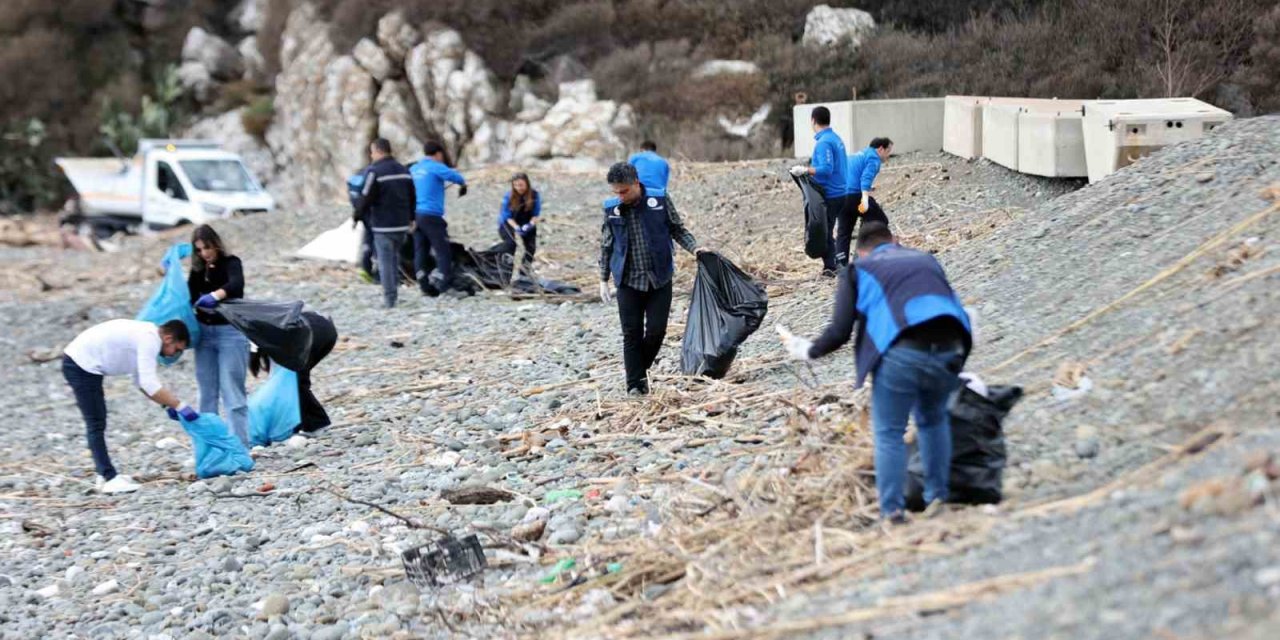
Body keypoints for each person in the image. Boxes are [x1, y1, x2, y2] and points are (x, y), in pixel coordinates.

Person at [777, 222, 971, 523]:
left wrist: (808, 350)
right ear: (895, 240)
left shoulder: (858, 270)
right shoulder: (925, 258)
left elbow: (841, 331)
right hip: (950, 346)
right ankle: (938, 498)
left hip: (900, 352)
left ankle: (892, 511)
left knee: (890, 433)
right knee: (933, 421)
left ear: (861, 250)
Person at [598, 162, 709, 396]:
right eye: (616, 191)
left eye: (624, 191)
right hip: (628, 281)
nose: (620, 196)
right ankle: (634, 385)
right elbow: (607, 245)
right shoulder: (611, 209)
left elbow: (677, 229)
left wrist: (696, 249)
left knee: (657, 331)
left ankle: (639, 371)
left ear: (636, 183)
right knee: (631, 333)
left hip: (659, 277)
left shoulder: (658, 200)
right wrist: (603, 279)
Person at [62, 319, 194, 493]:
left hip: (83, 362)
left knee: (97, 420)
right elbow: (149, 384)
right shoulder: (150, 339)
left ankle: (104, 474)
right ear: (168, 338)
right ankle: (109, 478)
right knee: (95, 422)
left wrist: (166, 405)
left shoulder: (148, 335)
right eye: (176, 350)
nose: (172, 355)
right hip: (81, 364)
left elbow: (140, 381)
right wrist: (180, 406)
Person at [187, 224, 251, 447]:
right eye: (199, 250)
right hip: (204, 334)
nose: (205, 253)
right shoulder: (198, 271)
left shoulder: (231, 263)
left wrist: (215, 295)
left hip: (230, 332)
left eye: (207, 248)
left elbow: (236, 284)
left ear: (216, 244)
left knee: (232, 391)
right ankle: (210, 447)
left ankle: (240, 445)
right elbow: (188, 294)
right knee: (207, 393)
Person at [249, 311, 338, 433]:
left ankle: (317, 424)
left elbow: (275, 375)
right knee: (297, 381)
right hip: (324, 330)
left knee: (296, 382)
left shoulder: (261, 339)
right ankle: (309, 423)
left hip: (312, 334)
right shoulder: (259, 332)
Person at [353, 138, 416, 308]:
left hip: (383, 225)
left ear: (378, 151)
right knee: (394, 259)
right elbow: (412, 196)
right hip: (402, 224)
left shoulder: (375, 172)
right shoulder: (403, 169)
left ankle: (390, 299)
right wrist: (412, 218)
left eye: (372, 152)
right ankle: (394, 293)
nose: (371, 156)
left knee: (385, 262)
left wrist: (357, 215)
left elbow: (366, 197)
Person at [790, 106, 850, 275]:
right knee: (828, 230)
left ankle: (831, 267)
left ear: (813, 120)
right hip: (841, 191)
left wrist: (805, 170)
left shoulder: (824, 142)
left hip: (832, 193)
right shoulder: (835, 138)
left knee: (824, 232)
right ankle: (837, 264)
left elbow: (826, 168)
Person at [410, 140, 468, 295]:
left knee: (420, 250)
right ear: (438, 154)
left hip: (416, 215)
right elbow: (456, 177)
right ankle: (445, 285)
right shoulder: (435, 166)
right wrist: (463, 185)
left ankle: (423, 284)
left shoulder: (415, 168)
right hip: (432, 215)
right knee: (443, 250)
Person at [845, 136, 893, 251]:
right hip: (855, 195)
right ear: (881, 149)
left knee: (844, 232)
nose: (888, 155)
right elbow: (866, 179)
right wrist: (865, 199)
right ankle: (866, 253)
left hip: (841, 196)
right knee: (880, 220)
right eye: (888, 151)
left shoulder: (858, 154)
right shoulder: (873, 158)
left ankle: (840, 264)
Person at [497, 172, 541, 275]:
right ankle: (505, 272)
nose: (518, 188)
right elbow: (507, 217)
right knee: (511, 244)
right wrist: (516, 228)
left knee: (530, 247)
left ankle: (524, 273)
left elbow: (536, 214)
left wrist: (529, 225)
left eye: (521, 185)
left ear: (527, 184)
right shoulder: (509, 196)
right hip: (508, 222)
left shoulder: (534, 195)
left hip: (526, 220)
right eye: (515, 185)